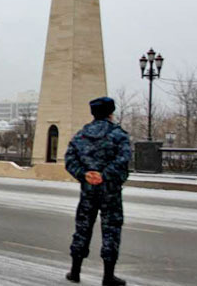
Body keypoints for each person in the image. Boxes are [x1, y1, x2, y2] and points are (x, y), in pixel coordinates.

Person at [65, 96, 131, 286]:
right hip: (110, 190)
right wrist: (105, 175)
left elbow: (70, 160)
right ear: (111, 113)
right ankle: (108, 276)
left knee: (82, 228)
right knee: (111, 230)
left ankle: (75, 271)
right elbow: (124, 159)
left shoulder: (81, 135)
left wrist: (85, 174)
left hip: (88, 190)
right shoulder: (118, 135)